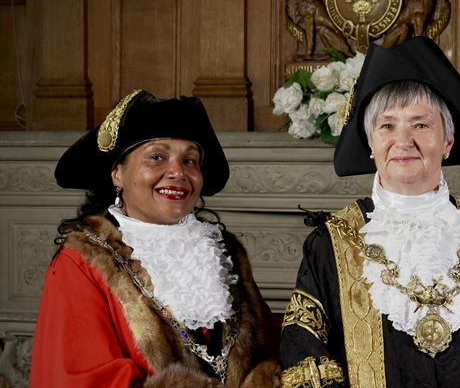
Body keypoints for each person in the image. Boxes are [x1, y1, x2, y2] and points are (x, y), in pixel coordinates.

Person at [279, 36, 460, 387]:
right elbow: (305, 357)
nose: (403, 141)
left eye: (421, 124)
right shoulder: (332, 242)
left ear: (448, 142)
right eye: (387, 126)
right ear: (371, 144)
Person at [31, 90, 282, 387]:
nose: (178, 172)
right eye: (157, 157)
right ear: (117, 174)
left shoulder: (225, 255)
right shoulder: (81, 263)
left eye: (190, 160)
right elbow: (82, 380)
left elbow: (274, 351)